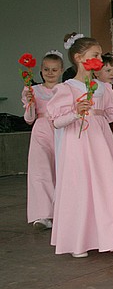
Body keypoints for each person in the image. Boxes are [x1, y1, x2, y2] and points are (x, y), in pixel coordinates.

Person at [47, 33, 113, 260]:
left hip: (101, 144)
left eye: (100, 55)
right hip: (78, 146)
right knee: (81, 189)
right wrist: (76, 112)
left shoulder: (103, 88)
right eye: (95, 55)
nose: (100, 60)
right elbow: (56, 122)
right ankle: (79, 239)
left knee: (110, 187)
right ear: (78, 57)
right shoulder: (66, 88)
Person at [22, 50, 64, 229]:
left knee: (62, 170)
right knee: (41, 171)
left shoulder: (66, 89)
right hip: (41, 131)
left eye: (54, 70)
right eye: (46, 69)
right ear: (40, 70)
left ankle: (62, 212)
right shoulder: (33, 90)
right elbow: (29, 119)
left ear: (61, 70)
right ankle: (43, 214)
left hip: (62, 130)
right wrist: (30, 103)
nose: (50, 73)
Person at [95, 53, 113, 147]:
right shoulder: (90, 90)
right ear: (96, 72)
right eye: (108, 70)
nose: (112, 74)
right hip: (96, 131)